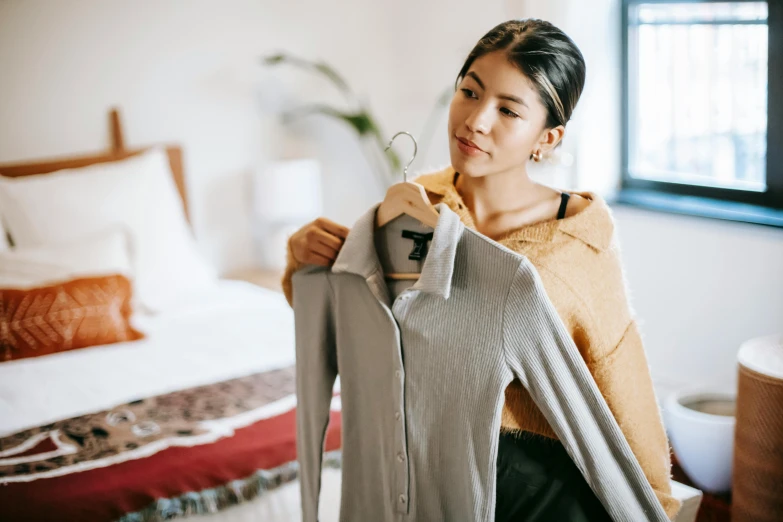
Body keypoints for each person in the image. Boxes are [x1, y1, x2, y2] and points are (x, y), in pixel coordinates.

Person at [282, 19, 680, 522]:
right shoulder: (418, 204)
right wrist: (303, 264)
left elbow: (623, 391)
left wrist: (655, 508)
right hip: (413, 475)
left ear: (548, 138)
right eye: (469, 92)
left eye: (508, 110)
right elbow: (365, 318)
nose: (475, 120)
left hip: (526, 490)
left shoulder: (576, 248)